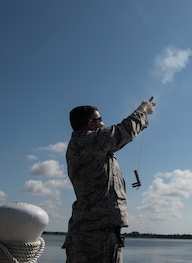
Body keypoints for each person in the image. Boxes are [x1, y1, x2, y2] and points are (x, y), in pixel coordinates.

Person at [62, 100, 155, 263]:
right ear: (91, 124)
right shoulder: (91, 141)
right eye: (100, 119)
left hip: (85, 233)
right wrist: (143, 109)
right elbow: (124, 130)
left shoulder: (79, 145)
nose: (103, 123)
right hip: (98, 236)